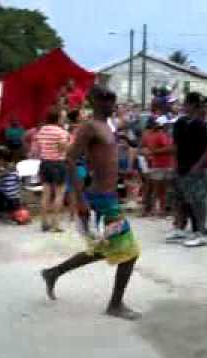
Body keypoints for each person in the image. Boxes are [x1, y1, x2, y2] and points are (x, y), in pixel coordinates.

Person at [41, 85, 141, 321]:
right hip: (99, 201)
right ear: (93, 100)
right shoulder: (89, 126)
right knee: (130, 253)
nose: (110, 102)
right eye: (105, 98)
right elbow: (69, 159)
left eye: (112, 97)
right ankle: (115, 305)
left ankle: (53, 273)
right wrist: (80, 199)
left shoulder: (108, 126)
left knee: (100, 249)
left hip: (107, 197)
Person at [169, 92, 207, 247]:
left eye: (186, 103)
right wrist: (174, 164)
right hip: (181, 166)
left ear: (193, 105)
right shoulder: (180, 123)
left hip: (196, 169)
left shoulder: (201, 125)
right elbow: (175, 146)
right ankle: (180, 228)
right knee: (181, 200)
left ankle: (200, 232)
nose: (183, 106)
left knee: (198, 201)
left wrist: (198, 165)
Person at [36, 110, 70, 232]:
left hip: (45, 163)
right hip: (58, 163)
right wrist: (69, 142)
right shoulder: (61, 132)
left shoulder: (42, 130)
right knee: (59, 194)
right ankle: (55, 224)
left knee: (46, 194)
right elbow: (63, 148)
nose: (64, 119)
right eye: (63, 117)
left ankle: (44, 222)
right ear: (58, 118)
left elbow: (39, 147)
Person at [142, 117, 175, 216]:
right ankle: (159, 209)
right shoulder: (161, 135)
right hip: (162, 165)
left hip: (160, 164)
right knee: (161, 190)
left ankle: (155, 209)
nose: (168, 126)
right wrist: (171, 148)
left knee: (157, 190)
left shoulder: (155, 135)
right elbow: (167, 148)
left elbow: (151, 149)